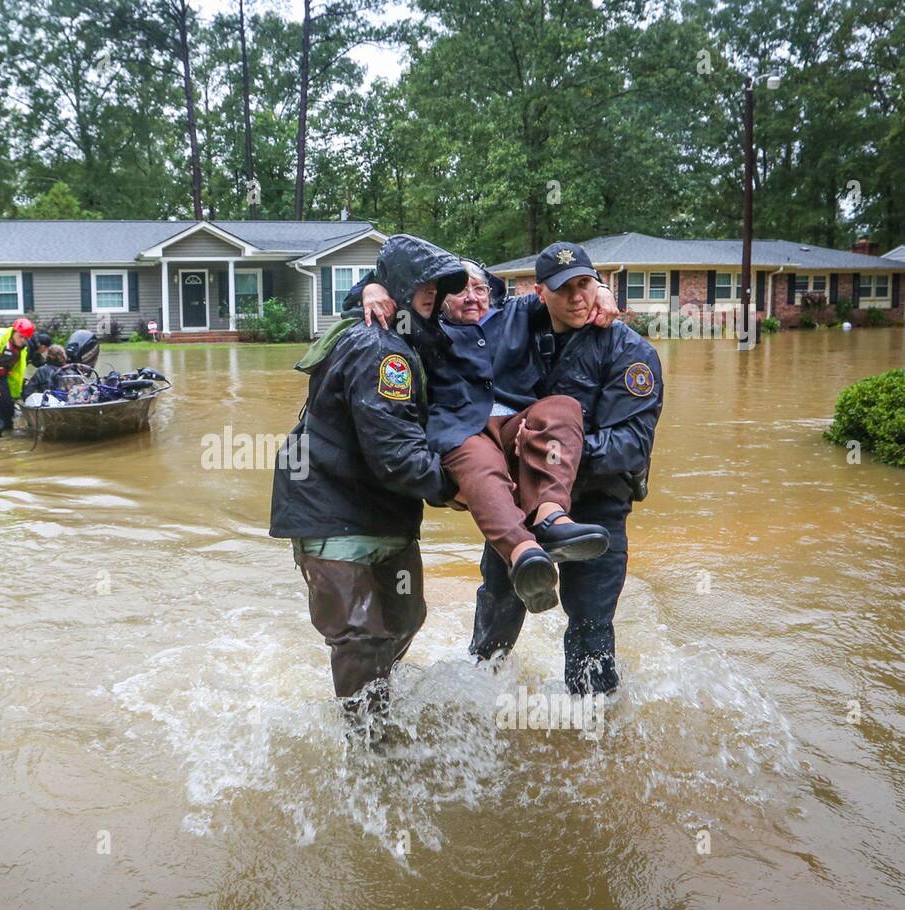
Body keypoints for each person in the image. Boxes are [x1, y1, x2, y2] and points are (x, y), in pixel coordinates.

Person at [269, 234, 467, 728]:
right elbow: (396, 454)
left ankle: (376, 710)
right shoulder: (382, 351)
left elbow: (501, 310)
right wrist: (453, 489)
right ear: (398, 286)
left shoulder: (414, 333)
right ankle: (367, 755)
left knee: (404, 618)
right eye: (425, 284)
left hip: (384, 511)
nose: (435, 293)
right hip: (330, 509)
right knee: (360, 636)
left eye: (440, 286)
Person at [348, 258, 622, 613]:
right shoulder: (424, 326)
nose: (473, 297)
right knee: (479, 462)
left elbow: (559, 288)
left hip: (515, 424)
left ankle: (551, 517)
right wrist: (370, 288)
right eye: (461, 291)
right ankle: (524, 554)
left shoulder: (518, 313)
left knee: (562, 408)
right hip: (462, 428)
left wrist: (600, 288)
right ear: (441, 297)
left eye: (480, 289)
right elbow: (373, 294)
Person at [468, 242, 664, 694]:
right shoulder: (513, 323)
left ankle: (595, 735)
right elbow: (455, 294)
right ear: (540, 293)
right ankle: (475, 702)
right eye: (564, 289)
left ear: (599, 285)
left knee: (591, 627)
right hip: (522, 510)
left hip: (596, 511)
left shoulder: (631, 353)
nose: (577, 298)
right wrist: (372, 289)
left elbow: (631, 445)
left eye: (585, 284)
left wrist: (546, 450)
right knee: (496, 609)